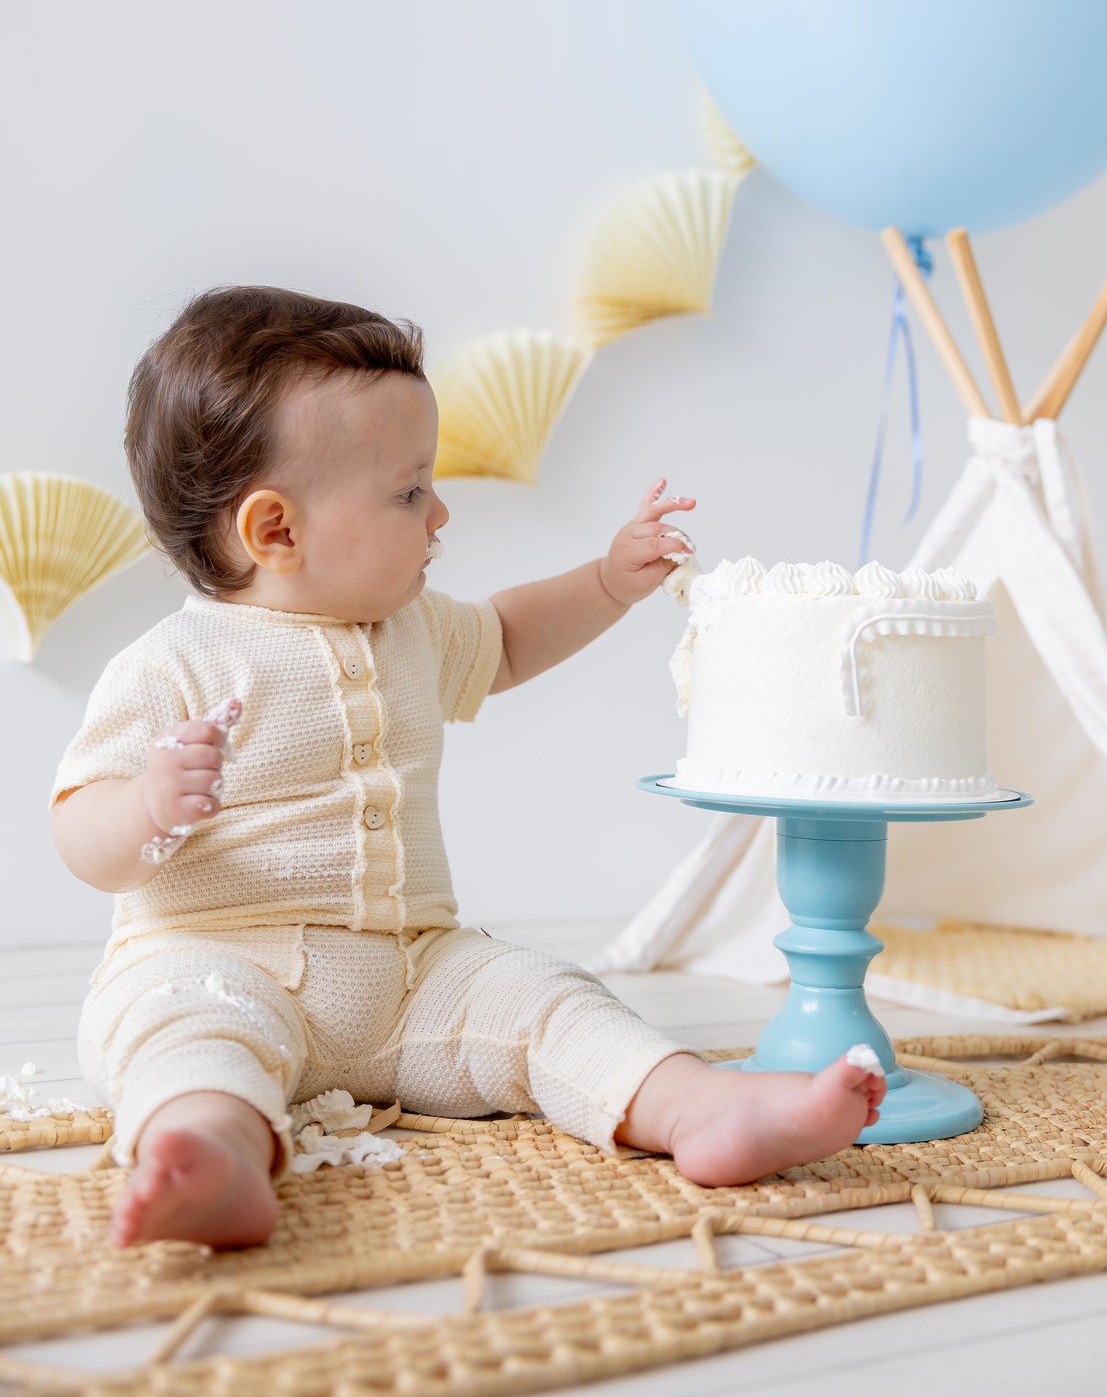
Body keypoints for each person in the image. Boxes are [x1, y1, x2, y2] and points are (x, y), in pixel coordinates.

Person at [51, 286, 885, 1249]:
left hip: (413, 979)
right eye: (410, 491)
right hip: (219, 963)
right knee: (183, 1038)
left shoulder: (410, 629)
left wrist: (606, 582)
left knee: (545, 998)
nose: (440, 511)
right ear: (276, 531)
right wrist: (147, 804)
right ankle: (214, 1153)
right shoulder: (172, 664)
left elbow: (508, 639)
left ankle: (700, 1108)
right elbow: (80, 833)